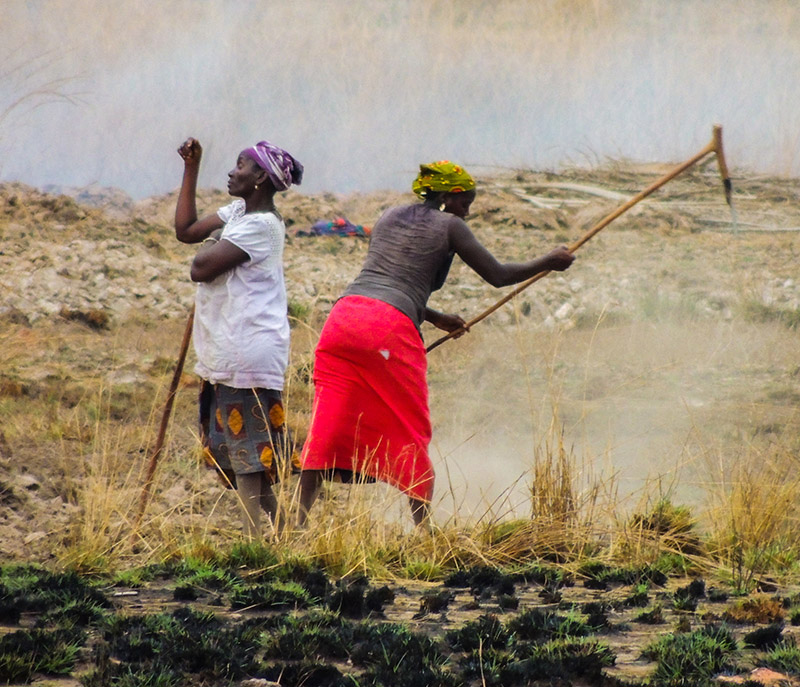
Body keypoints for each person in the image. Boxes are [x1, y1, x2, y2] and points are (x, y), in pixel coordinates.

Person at [297, 160, 575, 528]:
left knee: (326, 426)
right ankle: (424, 532)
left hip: (343, 321)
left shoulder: (389, 216)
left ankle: (294, 524)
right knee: (411, 426)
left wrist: (434, 316)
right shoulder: (451, 226)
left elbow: (388, 281)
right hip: (388, 329)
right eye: (465, 202)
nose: (468, 211)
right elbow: (497, 275)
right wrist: (548, 262)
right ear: (448, 196)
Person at [174, 137, 303, 537]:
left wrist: (215, 240)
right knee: (229, 450)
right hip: (227, 347)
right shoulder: (239, 213)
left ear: (261, 177)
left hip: (247, 348)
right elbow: (186, 231)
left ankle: (253, 542)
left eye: (242, 166)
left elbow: (200, 267)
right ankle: (282, 530)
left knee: (247, 452)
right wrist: (191, 167)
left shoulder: (260, 226)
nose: (232, 172)